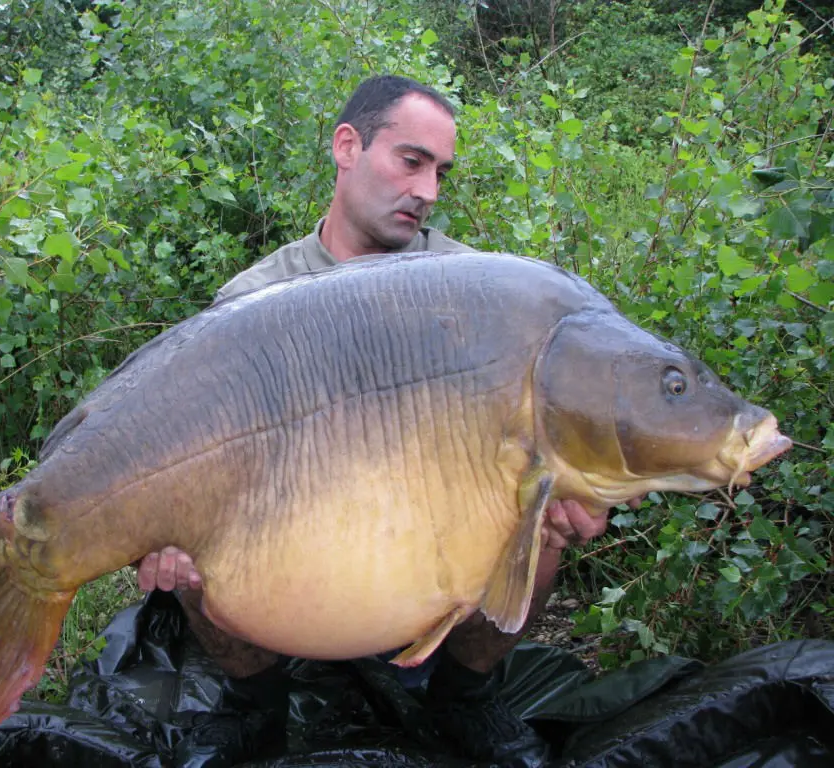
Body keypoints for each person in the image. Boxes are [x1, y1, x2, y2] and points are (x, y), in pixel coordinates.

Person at [136, 75, 615, 766]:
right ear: (347, 146)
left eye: (441, 173)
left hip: (431, 524)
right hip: (296, 529)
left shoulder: (470, 288)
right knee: (182, 540)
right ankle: (255, 701)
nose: (428, 191)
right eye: (412, 161)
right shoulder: (253, 298)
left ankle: (463, 695)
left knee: (542, 518)